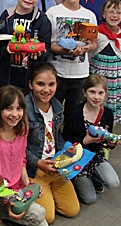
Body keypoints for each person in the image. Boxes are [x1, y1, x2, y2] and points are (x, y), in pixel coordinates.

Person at [0, 85, 48, 226]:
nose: (14, 114)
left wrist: (28, 184)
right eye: (8, 108)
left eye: (19, 108)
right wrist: (6, 202)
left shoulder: (22, 129)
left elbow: (21, 160)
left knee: (41, 219)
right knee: (39, 215)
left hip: (18, 188)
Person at [25, 62, 80, 223]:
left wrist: (70, 151)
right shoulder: (24, 109)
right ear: (31, 84)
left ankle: (49, 189)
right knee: (48, 217)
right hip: (36, 169)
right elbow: (18, 147)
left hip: (56, 166)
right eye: (40, 84)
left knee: (72, 210)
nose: (46, 90)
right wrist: (37, 163)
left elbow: (57, 138)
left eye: (51, 84)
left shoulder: (57, 107)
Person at [46, 0, 97, 118]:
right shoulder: (53, 13)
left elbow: (94, 43)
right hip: (57, 72)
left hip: (79, 74)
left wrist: (86, 48)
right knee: (53, 112)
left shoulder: (89, 15)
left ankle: (70, 140)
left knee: (74, 114)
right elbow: (48, 44)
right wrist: (64, 51)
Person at [62, 74, 121, 204]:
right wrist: (84, 141)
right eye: (92, 92)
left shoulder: (107, 114)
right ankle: (78, 179)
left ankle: (94, 176)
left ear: (105, 94)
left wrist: (111, 143)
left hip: (95, 156)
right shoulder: (75, 113)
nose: (96, 97)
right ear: (84, 92)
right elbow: (65, 138)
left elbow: (108, 140)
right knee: (89, 199)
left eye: (100, 93)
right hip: (78, 157)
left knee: (113, 182)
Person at [0, 0, 51, 92]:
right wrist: (6, 50)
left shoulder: (42, 20)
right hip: (7, 77)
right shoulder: (7, 16)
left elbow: (46, 48)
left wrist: (40, 53)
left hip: (30, 79)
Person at [89, 0, 121, 124]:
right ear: (103, 14)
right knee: (93, 106)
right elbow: (89, 55)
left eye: (118, 13)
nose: (114, 15)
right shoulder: (97, 33)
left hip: (115, 83)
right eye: (111, 12)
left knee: (108, 114)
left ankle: (106, 136)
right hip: (96, 77)